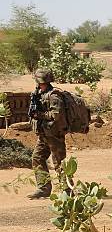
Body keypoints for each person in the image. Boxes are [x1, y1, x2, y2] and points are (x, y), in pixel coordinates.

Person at [28, 69, 68, 199]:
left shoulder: (54, 95)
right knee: (37, 158)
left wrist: (39, 115)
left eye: (41, 83)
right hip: (44, 134)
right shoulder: (39, 94)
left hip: (54, 134)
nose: (39, 85)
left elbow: (56, 115)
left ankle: (67, 190)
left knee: (59, 162)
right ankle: (43, 188)